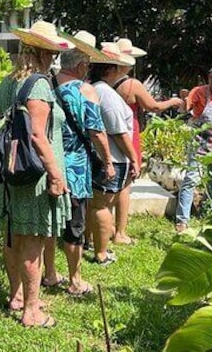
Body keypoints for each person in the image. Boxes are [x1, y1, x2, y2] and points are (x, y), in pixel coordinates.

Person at [0, 20, 72, 328]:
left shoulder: (6, 82)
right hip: (35, 174)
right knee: (33, 240)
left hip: (11, 172)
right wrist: (55, 175)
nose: (54, 58)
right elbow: (38, 136)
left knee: (12, 234)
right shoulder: (38, 84)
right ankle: (32, 311)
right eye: (52, 52)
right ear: (44, 53)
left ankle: (15, 296)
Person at [45, 31, 114, 297]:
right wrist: (107, 162)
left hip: (50, 165)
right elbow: (96, 131)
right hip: (74, 168)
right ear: (82, 65)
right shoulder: (84, 90)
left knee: (52, 222)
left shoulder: (48, 84)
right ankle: (75, 280)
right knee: (74, 224)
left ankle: (50, 273)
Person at [102, 38, 184, 244]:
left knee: (107, 183)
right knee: (126, 184)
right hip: (128, 133)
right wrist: (173, 102)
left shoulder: (103, 82)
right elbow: (153, 107)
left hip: (106, 133)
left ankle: (107, 226)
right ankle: (120, 232)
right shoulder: (132, 84)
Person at [87, 42, 139, 265]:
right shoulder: (105, 93)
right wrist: (134, 158)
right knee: (102, 204)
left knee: (96, 203)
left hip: (105, 155)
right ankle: (101, 252)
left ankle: (89, 241)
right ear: (111, 68)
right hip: (112, 157)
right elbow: (118, 131)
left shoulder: (96, 89)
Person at [175, 64, 212, 233]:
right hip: (199, 141)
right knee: (191, 179)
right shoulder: (199, 92)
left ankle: (208, 213)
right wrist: (183, 100)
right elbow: (185, 108)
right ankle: (182, 220)